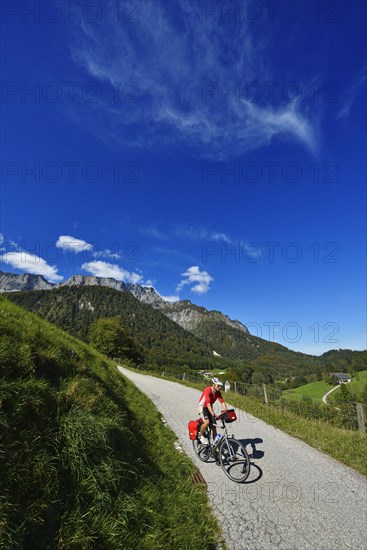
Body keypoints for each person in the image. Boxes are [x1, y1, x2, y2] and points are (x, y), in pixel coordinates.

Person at [197, 377, 227, 445]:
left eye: (220, 386)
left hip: (209, 407)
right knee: (207, 422)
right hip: (202, 407)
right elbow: (207, 403)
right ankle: (200, 435)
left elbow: (222, 402)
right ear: (213, 384)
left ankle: (215, 445)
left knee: (214, 427)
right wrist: (213, 413)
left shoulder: (218, 392)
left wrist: (226, 412)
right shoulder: (207, 390)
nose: (219, 387)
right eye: (218, 386)